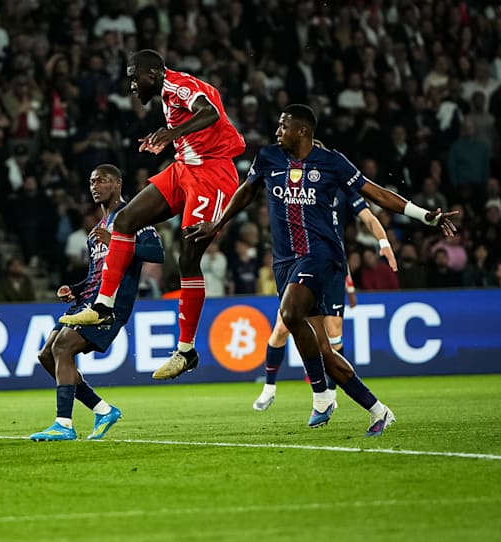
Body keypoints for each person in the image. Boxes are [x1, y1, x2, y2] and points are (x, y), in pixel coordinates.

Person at [188, 105, 458, 436]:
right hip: (285, 261)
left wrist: (423, 215)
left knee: (289, 313)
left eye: (283, 125)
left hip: (321, 256)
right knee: (324, 350)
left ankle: (319, 396)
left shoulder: (332, 162)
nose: (277, 131)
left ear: (302, 131)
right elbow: (246, 192)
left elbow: (375, 193)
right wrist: (218, 223)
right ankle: (378, 410)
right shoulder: (269, 158)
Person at [59, 49, 245, 381]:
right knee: (125, 220)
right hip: (184, 168)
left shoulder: (179, 86)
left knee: (187, 259)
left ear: (153, 74)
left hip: (212, 174)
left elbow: (211, 113)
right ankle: (102, 305)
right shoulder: (165, 93)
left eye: (135, 78)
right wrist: (170, 140)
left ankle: (186, 351)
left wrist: (171, 134)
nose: (132, 85)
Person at [31, 164, 164, 441]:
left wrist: (116, 238)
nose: (95, 186)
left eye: (102, 181)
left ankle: (64, 424)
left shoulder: (132, 218)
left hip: (110, 305)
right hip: (87, 300)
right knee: (47, 355)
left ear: (117, 184)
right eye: (92, 181)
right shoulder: (97, 230)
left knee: (64, 346)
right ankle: (103, 410)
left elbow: (156, 253)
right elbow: (98, 273)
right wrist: (75, 290)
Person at [253, 180, 398, 411]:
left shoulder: (341, 188)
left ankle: (330, 393)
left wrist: (382, 242)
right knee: (282, 326)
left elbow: (366, 219)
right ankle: (269, 387)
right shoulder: (296, 193)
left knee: (333, 333)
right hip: (299, 264)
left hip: (330, 267)